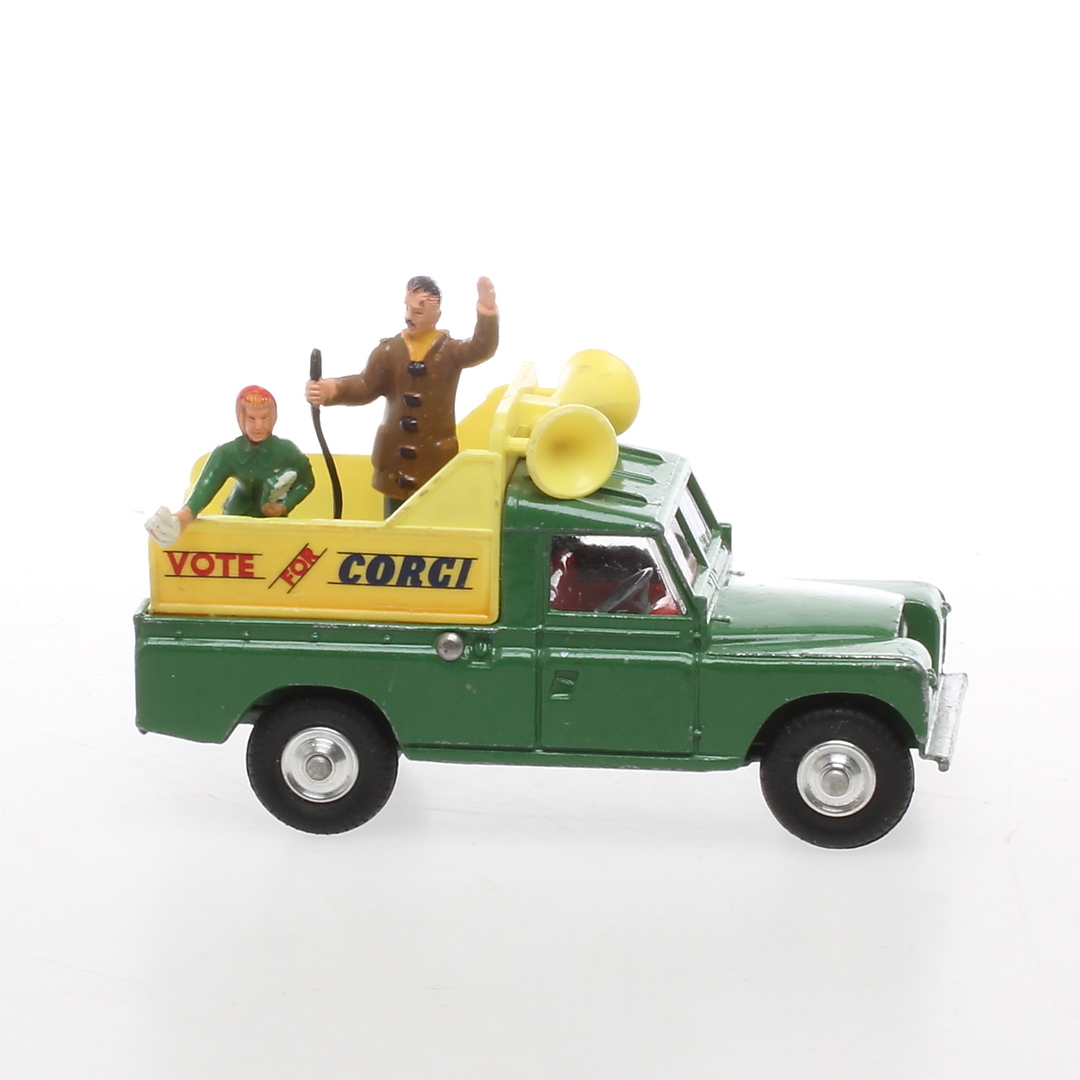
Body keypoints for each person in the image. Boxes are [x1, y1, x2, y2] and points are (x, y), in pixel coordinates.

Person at [306, 275, 499, 517]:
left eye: (418, 311)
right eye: (407, 307)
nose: (408, 316)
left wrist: (486, 312)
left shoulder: (449, 352)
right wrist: (332, 389)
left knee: (433, 516)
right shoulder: (388, 351)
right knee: (393, 522)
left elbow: (481, 348)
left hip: (434, 460)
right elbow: (366, 384)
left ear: (436, 315)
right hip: (394, 463)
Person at [146, 385, 315, 546]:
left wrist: (284, 505)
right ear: (241, 417)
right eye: (251, 418)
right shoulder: (228, 453)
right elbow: (205, 487)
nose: (259, 426)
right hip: (234, 522)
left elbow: (306, 481)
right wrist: (182, 518)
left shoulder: (286, 451)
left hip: (274, 527)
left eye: (264, 418)